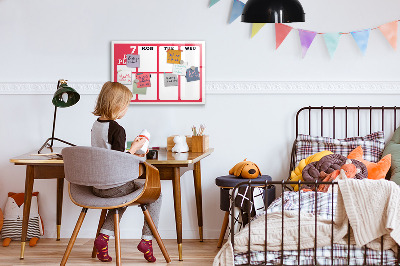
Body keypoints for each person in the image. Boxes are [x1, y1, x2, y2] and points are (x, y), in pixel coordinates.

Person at [91, 81, 161, 263]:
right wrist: (135, 149)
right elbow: (118, 161)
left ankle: (103, 238)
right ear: (117, 105)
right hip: (114, 186)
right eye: (127, 104)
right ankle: (147, 240)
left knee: (121, 198)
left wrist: (130, 149)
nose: (127, 109)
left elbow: (108, 154)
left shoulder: (96, 125)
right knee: (156, 194)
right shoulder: (117, 129)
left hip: (97, 186)